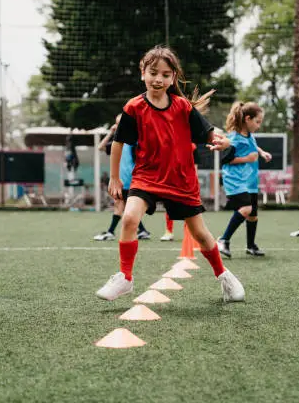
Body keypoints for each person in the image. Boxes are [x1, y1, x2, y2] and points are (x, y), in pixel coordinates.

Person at [96, 45, 245, 302]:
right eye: (154, 72)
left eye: (166, 75)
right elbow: (119, 143)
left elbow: (207, 132)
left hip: (181, 179)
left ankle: (224, 277)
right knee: (130, 218)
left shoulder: (182, 107)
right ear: (143, 72)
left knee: (200, 234)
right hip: (147, 176)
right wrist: (114, 177)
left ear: (173, 78)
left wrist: (220, 140)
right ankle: (125, 278)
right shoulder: (133, 108)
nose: (159, 79)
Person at [216, 102, 272, 258]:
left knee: (252, 215)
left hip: (250, 182)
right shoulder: (233, 139)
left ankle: (251, 246)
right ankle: (223, 240)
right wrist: (247, 158)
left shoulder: (249, 136)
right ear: (248, 119)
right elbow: (226, 160)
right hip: (235, 181)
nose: (259, 125)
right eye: (258, 121)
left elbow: (252, 146)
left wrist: (262, 153)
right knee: (246, 209)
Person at [93, 114, 151, 241]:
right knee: (122, 206)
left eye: (120, 123)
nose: (118, 126)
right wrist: (111, 132)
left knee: (120, 205)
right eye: (117, 123)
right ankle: (142, 231)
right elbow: (101, 147)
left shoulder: (134, 141)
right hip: (121, 180)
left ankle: (111, 232)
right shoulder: (117, 143)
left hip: (129, 180)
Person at [160, 143, 200, 241]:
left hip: (187, 181)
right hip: (171, 179)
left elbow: (195, 166)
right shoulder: (168, 145)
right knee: (168, 205)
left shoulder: (192, 147)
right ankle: (168, 232)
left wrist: (194, 181)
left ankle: (189, 233)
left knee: (189, 207)